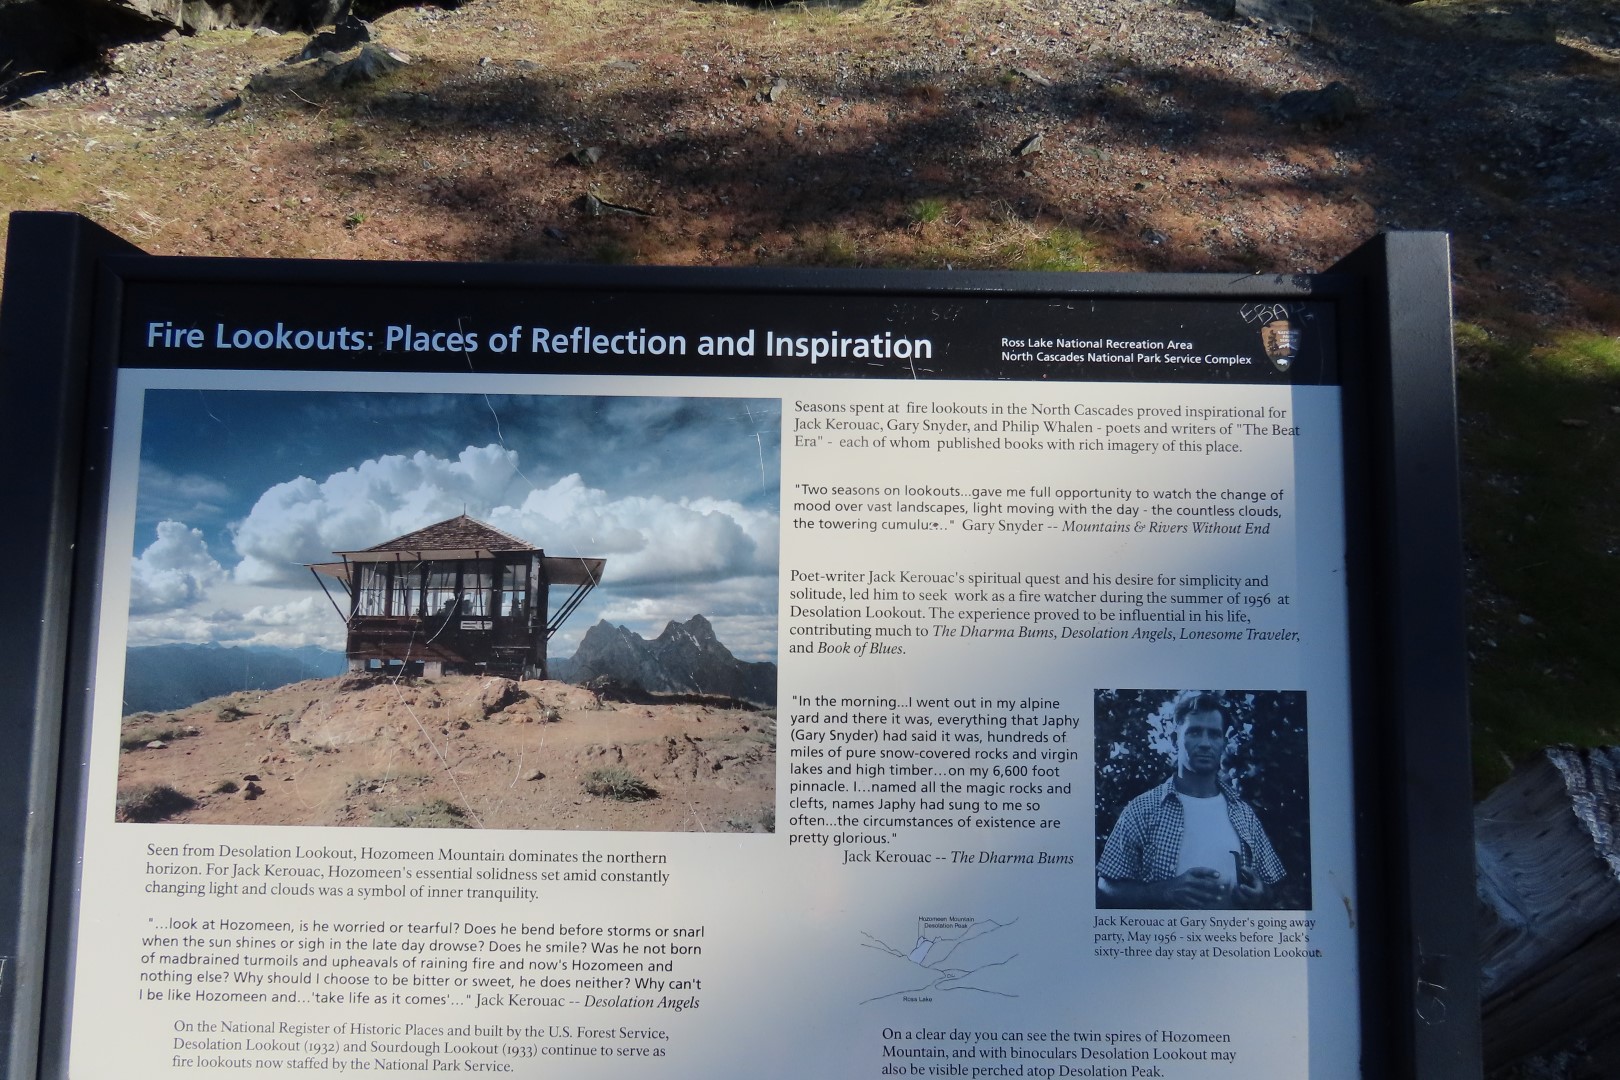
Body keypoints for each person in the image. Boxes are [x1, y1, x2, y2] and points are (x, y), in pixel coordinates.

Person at [1096, 691, 1286, 909]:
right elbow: (1105, 888)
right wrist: (1162, 892)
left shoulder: (1243, 813)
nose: (1205, 743)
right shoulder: (1142, 809)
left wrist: (1260, 894)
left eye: (1214, 734)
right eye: (1195, 732)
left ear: (1223, 743)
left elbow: (1272, 886)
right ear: (1175, 739)